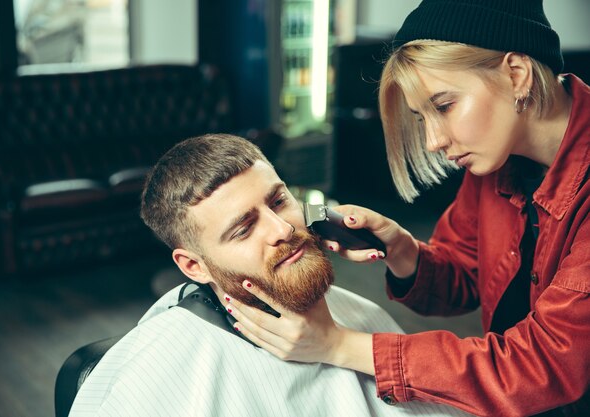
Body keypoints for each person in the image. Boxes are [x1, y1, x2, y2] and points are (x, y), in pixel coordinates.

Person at [225, 1, 590, 416]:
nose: (434, 141)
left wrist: (337, 344)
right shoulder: (497, 160)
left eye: (445, 105)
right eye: (422, 118)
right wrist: (403, 251)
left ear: (516, 74)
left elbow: (545, 366)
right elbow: (467, 278)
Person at [68, 133, 470, 417]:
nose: (282, 229)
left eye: (279, 200)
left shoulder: (357, 315)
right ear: (194, 266)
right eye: (243, 229)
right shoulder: (158, 373)